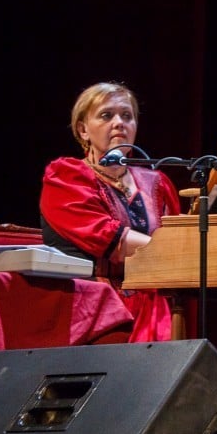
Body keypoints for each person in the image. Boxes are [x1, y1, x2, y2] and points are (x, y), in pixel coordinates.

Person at [40, 81, 181, 342]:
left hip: (158, 303)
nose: (119, 123)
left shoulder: (157, 183)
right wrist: (181, 254)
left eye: (127, 116)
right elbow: (109, 238)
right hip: (95, 310)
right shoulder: (66, 178)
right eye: (107, 115)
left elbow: (177, 233)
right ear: (83, 130)